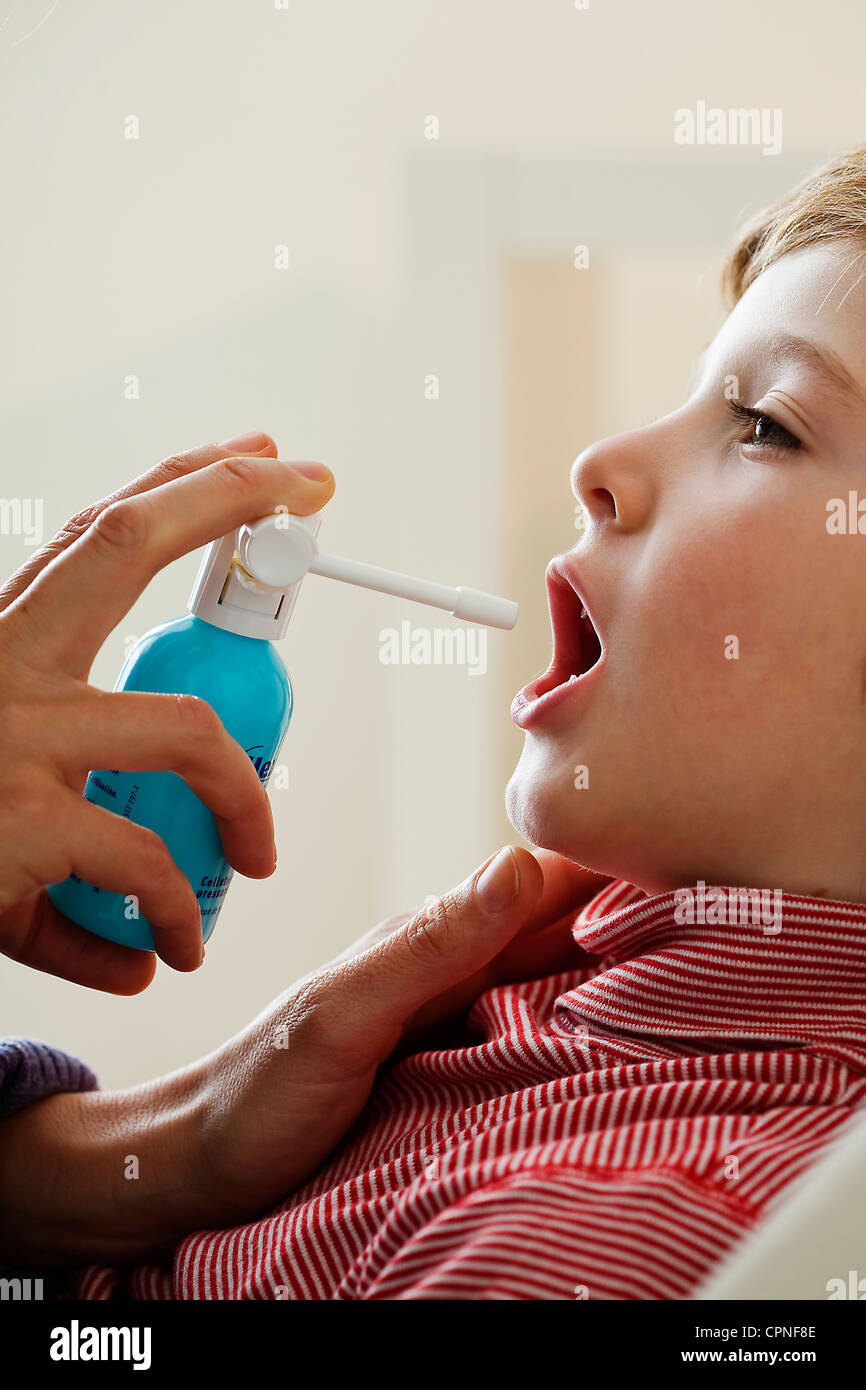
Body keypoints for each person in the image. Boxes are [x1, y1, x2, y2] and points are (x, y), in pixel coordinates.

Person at [4, 146, 866, 1301]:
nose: (597, 461)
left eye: (764, 424)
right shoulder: (516, 1033)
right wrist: (155, 1151)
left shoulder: (596, 1240)